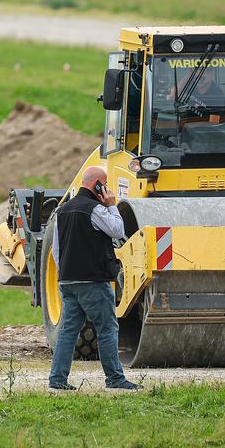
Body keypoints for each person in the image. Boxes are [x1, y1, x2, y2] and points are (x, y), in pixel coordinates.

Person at [47, 165, 142, 392]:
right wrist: (111, 205)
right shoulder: (96, 209)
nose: (107, 189)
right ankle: (115, 379)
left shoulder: (62, 211)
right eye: (105, 184)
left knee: (69, 331)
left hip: (68, 282)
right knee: (107, 328)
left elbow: (56, 252)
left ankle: (57, 379)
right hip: (94, 281)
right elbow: (118, 231)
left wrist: (65, 273)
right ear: (97, 184)